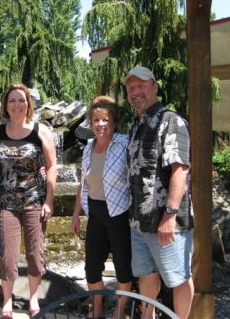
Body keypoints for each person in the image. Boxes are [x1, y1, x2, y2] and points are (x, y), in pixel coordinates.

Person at [125, 66, 194, 319]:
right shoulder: (136, 124)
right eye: (131, 88)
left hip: (167, 223)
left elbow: (180, 169)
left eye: (141, 86)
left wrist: (170, 215)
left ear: (154, 87)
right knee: (146, 274)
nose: (136, 92)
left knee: (179, 278)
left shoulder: (171, 121)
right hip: (138, 223)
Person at [0, 83, 57, 319]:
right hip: (6, 204)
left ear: (28, 104)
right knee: (8, 256)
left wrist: (49, 201)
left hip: (34, 202)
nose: (17, 105)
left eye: (21, 100)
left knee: (33, 254)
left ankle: (33, 300)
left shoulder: (40, 131)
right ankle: (7, 302)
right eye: (12, 100)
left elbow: (51, 167)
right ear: (5, 105)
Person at [71, 96, 132, 319]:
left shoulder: (124, 143)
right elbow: (83, 184)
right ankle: (97, 309)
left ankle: (119, 310)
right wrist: (76, 214)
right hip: (95, 212)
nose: (101, 125)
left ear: (114, 122)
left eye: (105, 120)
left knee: (123, 267)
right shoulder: (88, 147)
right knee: (92, 268)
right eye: (96, 120)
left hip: (119, 213)